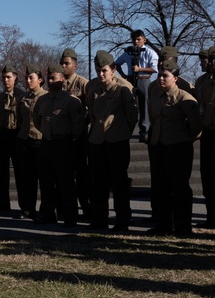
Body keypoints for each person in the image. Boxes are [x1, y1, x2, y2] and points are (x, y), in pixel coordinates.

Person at [147, 60, 202, 236]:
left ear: (175, 78)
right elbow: (154, 120)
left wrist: (186, 138)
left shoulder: (185, 98)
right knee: (161, 187)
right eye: (159, 76)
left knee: (180, 188)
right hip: (158, 145)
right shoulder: (155, 97)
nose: (161, 79)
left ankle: (183, 226)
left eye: (165, 76)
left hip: (178, 147)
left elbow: (196, 125)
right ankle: (164, 224)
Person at [86, 51, 137, 232]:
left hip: (117, 141)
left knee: (119, 183)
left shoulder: (123, 89)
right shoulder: (93, 90)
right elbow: (92, 115)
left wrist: (122, 132)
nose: (101, 74)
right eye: (98, 70)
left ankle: (122, 220)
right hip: (97, 141)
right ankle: (99, 219)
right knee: (98, 183)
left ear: (113, 70)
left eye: (104, 70)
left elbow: (132, 117)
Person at [32, 65, 85, 226]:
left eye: (53, 78)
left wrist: (66, 137)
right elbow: (37, 121)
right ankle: (48, 214)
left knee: (66, 182)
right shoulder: (42, 100)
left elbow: (78, 126)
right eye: (48, 77)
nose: (49, 80)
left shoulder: (71, 101)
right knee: (46, 182)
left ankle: (70, 217)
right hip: (47, 143)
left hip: (64, 143)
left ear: (62, 79)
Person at [60, 48, 91, 219]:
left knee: (82, 174)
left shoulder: (82, 83)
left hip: (79, 136)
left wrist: (83, 124)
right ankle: (68, 210)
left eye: (67, 63)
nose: (64, 66)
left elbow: (90, 108)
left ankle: (86, 207)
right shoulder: (58, 84)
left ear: (75, 65)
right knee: (66, 175)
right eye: (62, 63)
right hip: (64, 136)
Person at [114, 29, 158, 141]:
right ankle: (126, 129)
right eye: (134, 40)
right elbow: (116, 64)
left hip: (144, 79)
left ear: (144, 40)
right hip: (131, 81)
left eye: (138, 39)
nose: (136, 42)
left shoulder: (150, 52)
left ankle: (145, 132)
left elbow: (154, 68)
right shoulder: (128, 52)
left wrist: (140, 69)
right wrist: (124, 75)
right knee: (128, 105)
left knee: (144, 106)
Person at [16, 65, 47, 219]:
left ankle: (45, 210)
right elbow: (20, 119)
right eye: (27, 78)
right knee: (27, 178)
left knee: (43, 177)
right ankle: (27, 209)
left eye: (31, 78)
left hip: (40, 141)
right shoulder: (23, 98)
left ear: (40, 80)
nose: (28, 81)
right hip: (25, 140)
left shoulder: (45, 97)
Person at [0, 65, 21, 213]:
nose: (6, 80)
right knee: (1, 173)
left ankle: (25, 207)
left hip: (17, 135)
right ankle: (3, 204)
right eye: (3, 77)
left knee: (20, 173)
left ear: (15, 78)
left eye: (9, 77)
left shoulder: (22, 97)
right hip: (3, 135)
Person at [197, 46, 215, 228]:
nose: (207, 63)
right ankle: (211, 216)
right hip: (207, 131)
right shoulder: (202, 81)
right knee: (207, 175)